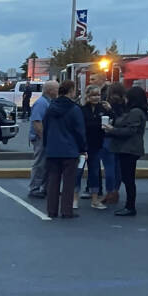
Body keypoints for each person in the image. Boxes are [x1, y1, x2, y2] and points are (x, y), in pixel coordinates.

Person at [42, 80, 87, 219]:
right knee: (69, 182)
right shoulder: (74, 109)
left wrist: (46, 145)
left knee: (53, 180)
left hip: (52, 149)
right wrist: (83, 148)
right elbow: (79, 131)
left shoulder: (50, 107)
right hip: (70, 150)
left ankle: (52, 210)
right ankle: (67, 211)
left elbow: (45, 128)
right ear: (71, 91)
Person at [103, 86, 147, 216]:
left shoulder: (135, 112)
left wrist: (112, 130)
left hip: (129, 149)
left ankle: (130, 206)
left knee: (128, 179)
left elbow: (130, 131)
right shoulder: (135, 111)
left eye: (127, 97)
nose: (125, 99)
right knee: (127, 178)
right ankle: (129, 205)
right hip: (128, 149)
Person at [78, 85, 110, 210]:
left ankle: (95, 199)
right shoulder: (82, 109)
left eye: (98, 95)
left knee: (95, 172)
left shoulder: (103, 109)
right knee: (78, 171)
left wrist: (110, 110)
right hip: (82, 146)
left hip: (96, 145)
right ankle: (74, 198)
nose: (96, 97)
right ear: (87, 96)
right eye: (93, 95)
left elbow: (112, 120)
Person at [27, 80, 59, 198]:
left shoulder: (48, 102)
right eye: (57, 89)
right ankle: (34, 188)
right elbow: (37, 122)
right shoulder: (41, 103)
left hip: (46, 138)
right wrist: (44, 138)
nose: (58, 91)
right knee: (40, 164)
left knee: (47, 164)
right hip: (41, 138)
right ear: (50, 91)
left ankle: (45, 188)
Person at [99, 82, 128, 206]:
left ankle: (110, 191)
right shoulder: (126, 105)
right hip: (120, 139)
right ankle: (115, 191)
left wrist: (109, 110)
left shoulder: (108, 105)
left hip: (108, 137)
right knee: (117, 167)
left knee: (109, 167)